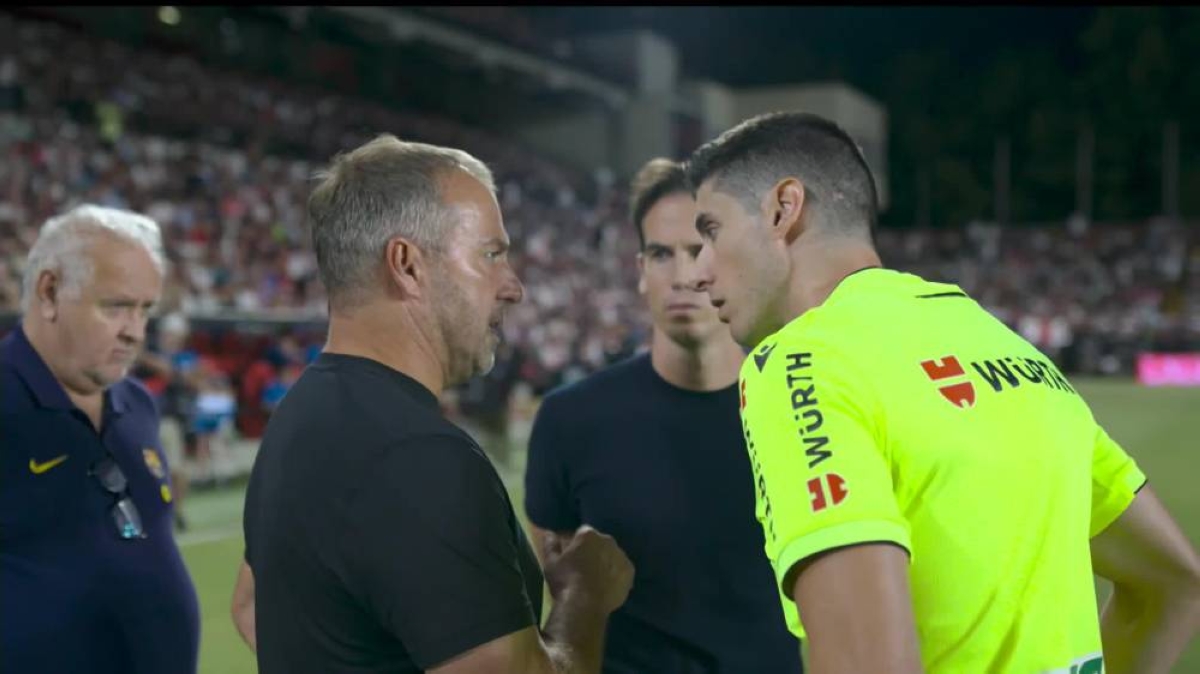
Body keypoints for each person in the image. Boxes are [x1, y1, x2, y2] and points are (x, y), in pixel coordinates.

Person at [684, 111, 1200, 674]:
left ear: (783, 209)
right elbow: (1171, 584)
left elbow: (871, 664)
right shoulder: (1003, 343)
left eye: (710, 231)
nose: (698, 272)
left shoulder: (802, 360)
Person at [237, 134, 634, 674]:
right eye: (491, 254)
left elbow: (249, 607)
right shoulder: (417, 456)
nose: (513, 286)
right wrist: (585, 596)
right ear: (407, 265)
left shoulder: (300, 414)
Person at [524, 158, 803, 673]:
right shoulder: (570, 420)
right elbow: (559, 601)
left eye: (700, 250)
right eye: (661, 254)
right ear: (640, 271)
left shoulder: (802, 407)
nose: (682, 276)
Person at [0, 204, 200, 673]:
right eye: (116, 306)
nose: (135, 332)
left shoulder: (138, 403)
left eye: (145, 310)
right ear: (50, 292)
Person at [136, 310, 201, 530]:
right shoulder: (151, 353)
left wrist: (145, 356)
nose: (171, 339)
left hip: (171, 418)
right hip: (146, 419)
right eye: (168, 334)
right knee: (150, 470)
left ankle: (177, 511)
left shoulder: (184, 357)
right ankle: (158, 513)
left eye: (174, 335)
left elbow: (183, 377)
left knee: (177, 470)